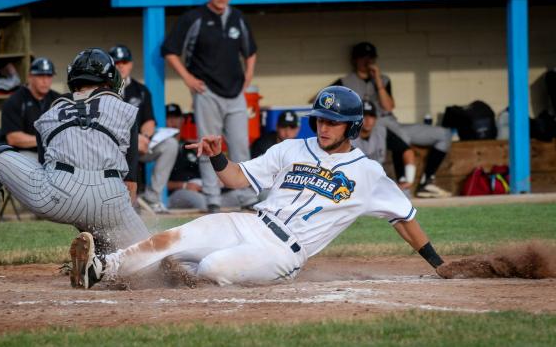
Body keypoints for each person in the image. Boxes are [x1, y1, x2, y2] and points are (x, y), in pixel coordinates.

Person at [68, 86, 447, 289]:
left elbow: (404, 218)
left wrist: (438, 264)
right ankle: (101, 268)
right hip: (250, 222)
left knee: (213, 267)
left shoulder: (368, 173)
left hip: (285, 252)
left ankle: (171, 272)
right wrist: (218, 157)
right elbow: (235, 179)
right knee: (176, 236)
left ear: (351, 126)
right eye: (319, 120)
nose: (322, 127)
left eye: (332, 122)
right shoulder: (290, 148)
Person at [0, 48, 150, 279]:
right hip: (112, 202)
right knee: (151, 262)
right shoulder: (127, 111)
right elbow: (130, 188)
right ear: (111, 80)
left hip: (57, 196)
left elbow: (49, 168)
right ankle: (106, 259)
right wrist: (111, 222)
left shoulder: (52, 110)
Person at [162, 0, 258, 213]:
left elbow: (251, 51)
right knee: (208, 145)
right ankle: (212, 198)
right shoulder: (194, 17)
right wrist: (188, 78)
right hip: (207, 91)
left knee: (240, 146)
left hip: (235, 92)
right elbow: (170, 50)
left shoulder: (237, 17)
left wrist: (248, 76)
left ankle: (246, 197)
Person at [332, 42, 452, 198]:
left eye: (371, 57)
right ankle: (404, 186)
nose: (367, 61)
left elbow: (388, 107)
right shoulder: (344, 82)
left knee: (443, 134)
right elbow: (320, 99)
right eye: (363, 57)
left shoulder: (383, 79)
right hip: (368, 126)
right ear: (355, 59)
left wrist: (378, 82)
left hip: (390, 122)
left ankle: (426, 181)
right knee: (399, 139)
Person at [109, 44, 179, 214]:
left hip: (139, 143)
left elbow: (149, 121)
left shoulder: (141, 90)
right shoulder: (105, 90)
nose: (121, 66)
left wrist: (144, 138)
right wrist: (133, 140)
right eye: (116, 62)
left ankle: (152, 198)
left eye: (124, 61)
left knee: (170, 145)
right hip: (112, 146)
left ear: (131, 64)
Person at [165, 103, 247, 211]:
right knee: (204, 203)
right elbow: (158, 183)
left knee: (242, 197)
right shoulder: (163, 148)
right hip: (181, 192)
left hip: (206, 190)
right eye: (169, 118)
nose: (173, 121)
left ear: (182, 120)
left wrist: (221, 179)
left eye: (176, 117)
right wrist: (184, 185)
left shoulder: (190, 145)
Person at [0, 57, 60, 159]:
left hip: (54, 151)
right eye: (40, 76)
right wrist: (47, 140)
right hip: (25, 152)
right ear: (30, 77)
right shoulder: (14, 101)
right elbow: (13, 138)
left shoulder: (58, 100)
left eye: (49, 76)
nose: (45, 81)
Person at [352, 100, 416, 193]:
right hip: (355, 182)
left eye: (371, 116)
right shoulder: (348, 135)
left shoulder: (381, 132)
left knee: (404, 193)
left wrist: (409, 180)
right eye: (364, 116)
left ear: (375, 119)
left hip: (378, 180)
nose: (367, 120)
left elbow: (407, 152)